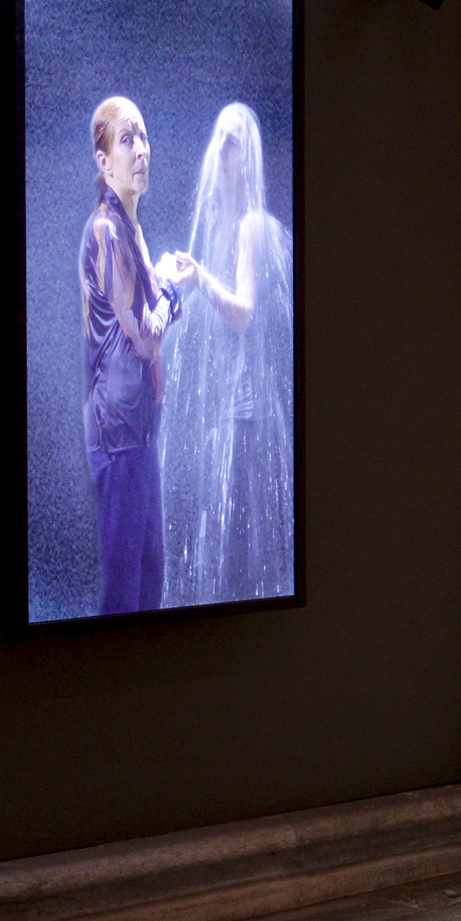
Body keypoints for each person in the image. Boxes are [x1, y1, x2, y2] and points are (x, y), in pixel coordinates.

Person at [158, 103, 295, 607]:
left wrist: (200, 279)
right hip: (227, 412)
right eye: (219, 139)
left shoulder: (253, 226)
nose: (221, 150)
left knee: (239, 547)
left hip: (248, 414)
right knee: (219, 538)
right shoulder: (220, 228)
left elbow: (243, 312)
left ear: (249, 160)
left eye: (233, 142)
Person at [78, 96, 183, 615]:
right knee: (125, 595)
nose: (141, 149)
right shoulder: (108, 230)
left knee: (149, 580)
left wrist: (160, 275)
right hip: (119, 438)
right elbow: (144, 336)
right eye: (127, 139)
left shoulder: (130, 227)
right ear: (104, 161)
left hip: (136, 434)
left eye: (143, 136)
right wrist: (173, 289)